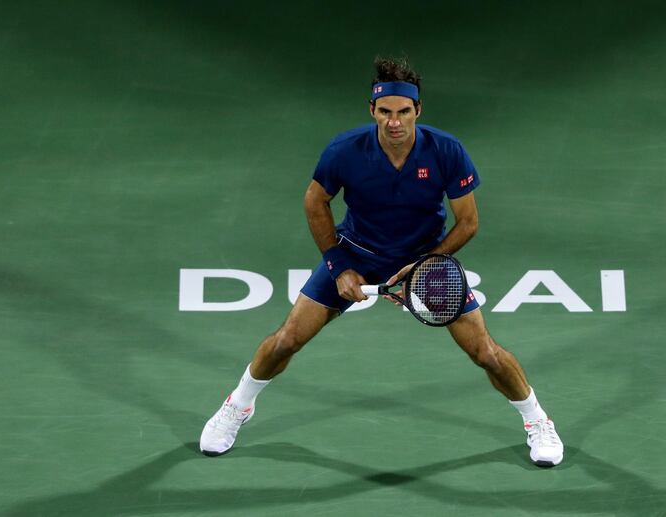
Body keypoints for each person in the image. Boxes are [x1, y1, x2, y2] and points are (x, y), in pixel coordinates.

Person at [200, 57, 564, 467]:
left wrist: (425, 266)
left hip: (422, 259)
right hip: (357, 252)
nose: (395, 122)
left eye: (404, 111)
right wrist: (339, 266)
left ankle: (538, 421)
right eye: (386, 112)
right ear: (372, 110)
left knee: (485, 352)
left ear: (418, 111)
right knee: (287, 339)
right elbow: (314, 201)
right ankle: (238, 405)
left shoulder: (446, 151)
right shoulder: (344, 151)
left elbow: (469, 222)